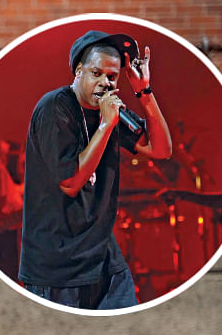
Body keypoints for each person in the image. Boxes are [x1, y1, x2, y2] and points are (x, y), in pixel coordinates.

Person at [18, 30, 171, 310]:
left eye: (112, 76)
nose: (104, 82)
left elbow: (160, 149)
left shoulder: (109, 111)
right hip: (57, 267)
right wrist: (106, 126)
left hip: (103, 260)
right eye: (96, 73)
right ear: (78, 71)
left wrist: (144, 92)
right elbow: (70, 183)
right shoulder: (55, 108)